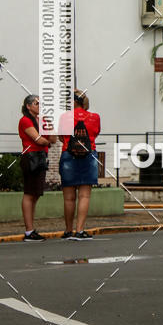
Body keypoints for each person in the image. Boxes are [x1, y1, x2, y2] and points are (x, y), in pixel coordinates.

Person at [59, 90, 101, 240]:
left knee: (69, 198)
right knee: (84, 195)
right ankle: (80, 230)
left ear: (73, 102)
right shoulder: (94, 117)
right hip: (88, 155)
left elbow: (61, 137)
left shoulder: (64, 117)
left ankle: (68, 231)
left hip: (68, 154)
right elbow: (95, 134)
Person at [18, 94, 57, 241]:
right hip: (31, 157)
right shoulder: (25, 120)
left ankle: (31, 228)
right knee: (29, 193)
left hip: (41, 157)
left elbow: (53, 138)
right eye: (36, 103)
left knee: (36, 194)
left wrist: (49, 126)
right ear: (28, 106)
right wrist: (46, 139)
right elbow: (39, 140)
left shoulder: (42, 120)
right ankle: (28, 231)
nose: (39, 106)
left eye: (41, 103)